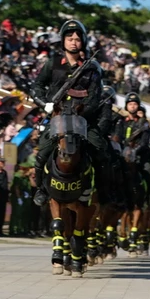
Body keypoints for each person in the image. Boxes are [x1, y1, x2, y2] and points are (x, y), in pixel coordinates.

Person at [31, 19, 105, 207]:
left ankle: (103, 192)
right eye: (69, 38)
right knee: (43, 152)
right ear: (63, 41)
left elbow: (95, 98)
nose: (73, 41)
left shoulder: (92, 68)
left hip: (82, 121)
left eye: (77, 38)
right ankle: (41, 189)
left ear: (83, 42)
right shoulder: (52, 64)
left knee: (101, 152)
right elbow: (36, 86)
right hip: (57, 119)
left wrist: (80, 116)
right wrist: (44, 103)